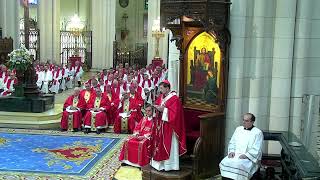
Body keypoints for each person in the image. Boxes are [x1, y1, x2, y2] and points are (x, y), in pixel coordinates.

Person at [151, 80, 187, 171]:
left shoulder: (174, 98)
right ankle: (159, 164)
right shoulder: (162, 96)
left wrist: (164, 110)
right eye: (160, 88)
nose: (160, 90)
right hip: (161, 125)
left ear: (167, 88)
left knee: (169, 146)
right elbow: (159, 105)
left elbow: (175, 115)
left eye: (162, 88)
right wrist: (157, 108)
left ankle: (169, 165)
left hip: (170, 127)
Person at [219, 113, 263, 180]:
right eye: (243, 120)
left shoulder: (258, 132)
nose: (244, 122)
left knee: (238, 165)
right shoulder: (238, 129)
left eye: (246, 121)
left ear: (252, 122)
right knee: (225, 162)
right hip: (235, 154)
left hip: (248, 158)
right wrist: (231, 152)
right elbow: (232, 142)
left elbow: (257, 148)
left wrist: (246, 155)